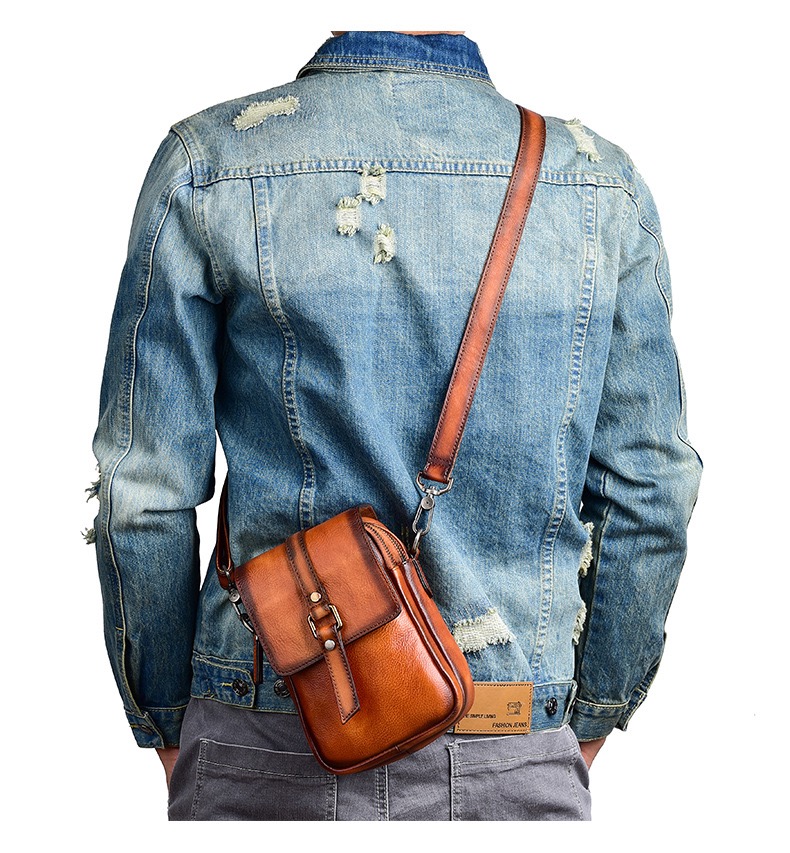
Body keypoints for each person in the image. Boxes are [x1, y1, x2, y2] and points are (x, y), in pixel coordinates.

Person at [88, 30, 702, 821]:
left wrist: (172, 722)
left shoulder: (211, 163)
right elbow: (651, 490)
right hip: (509, 727)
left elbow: (141, 495)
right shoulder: (597, 184)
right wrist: (579, 724)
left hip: (270, 720)